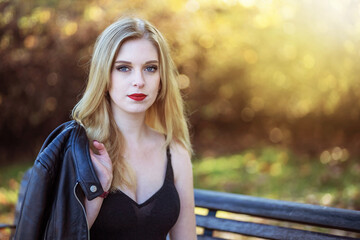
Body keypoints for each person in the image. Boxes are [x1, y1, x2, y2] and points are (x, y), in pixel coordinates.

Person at [14, 17, 196, 240]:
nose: (139, 80)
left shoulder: (175, 151)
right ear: (105, 76)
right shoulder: (79, 151)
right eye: (123, 68)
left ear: (161, 78)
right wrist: (94, 198)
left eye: (150, 68)